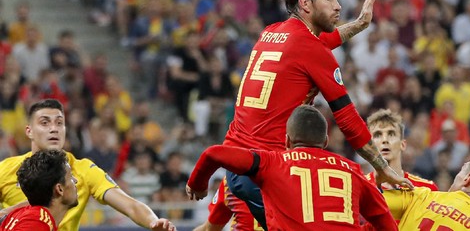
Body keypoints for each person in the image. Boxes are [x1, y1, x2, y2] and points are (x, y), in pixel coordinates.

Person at [218, 0, 412, 229]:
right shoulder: (311, 50)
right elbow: (347, 120)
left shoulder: (271, 32)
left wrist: (360, 24)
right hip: (268, 169)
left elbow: (319, 44)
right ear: (305, 4)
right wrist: (383, 167)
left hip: (240, 163)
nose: (338, 6)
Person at [186, 105, 398, 231]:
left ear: (286, 140)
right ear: (325, 141)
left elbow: (214, 154)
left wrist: (197, 184)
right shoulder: (352, 170)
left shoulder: (269, 164)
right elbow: (385, 221)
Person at [0, 99, 175, 231]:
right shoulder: (7, 168)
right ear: (29, 130)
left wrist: (153, 221)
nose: (54, 129)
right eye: (45, 123)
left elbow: (130, 205)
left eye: (59, 123)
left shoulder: (82, 169)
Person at [373, 158, 470, 231]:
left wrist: (377, 179)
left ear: (468, 179)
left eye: (461, 171)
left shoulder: (421, 196)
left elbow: (368, 199)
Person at [0, 150, 77, 231]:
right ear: (59, 189)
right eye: (71, 177)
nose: (76, 181)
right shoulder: (38, 223)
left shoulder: (27, 214)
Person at [366, 109, 438, 191]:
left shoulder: (426, 188)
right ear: (369, 147)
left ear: (403, 145)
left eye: (391, 134)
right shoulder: (359, 187)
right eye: (378, 135)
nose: (385, 140)